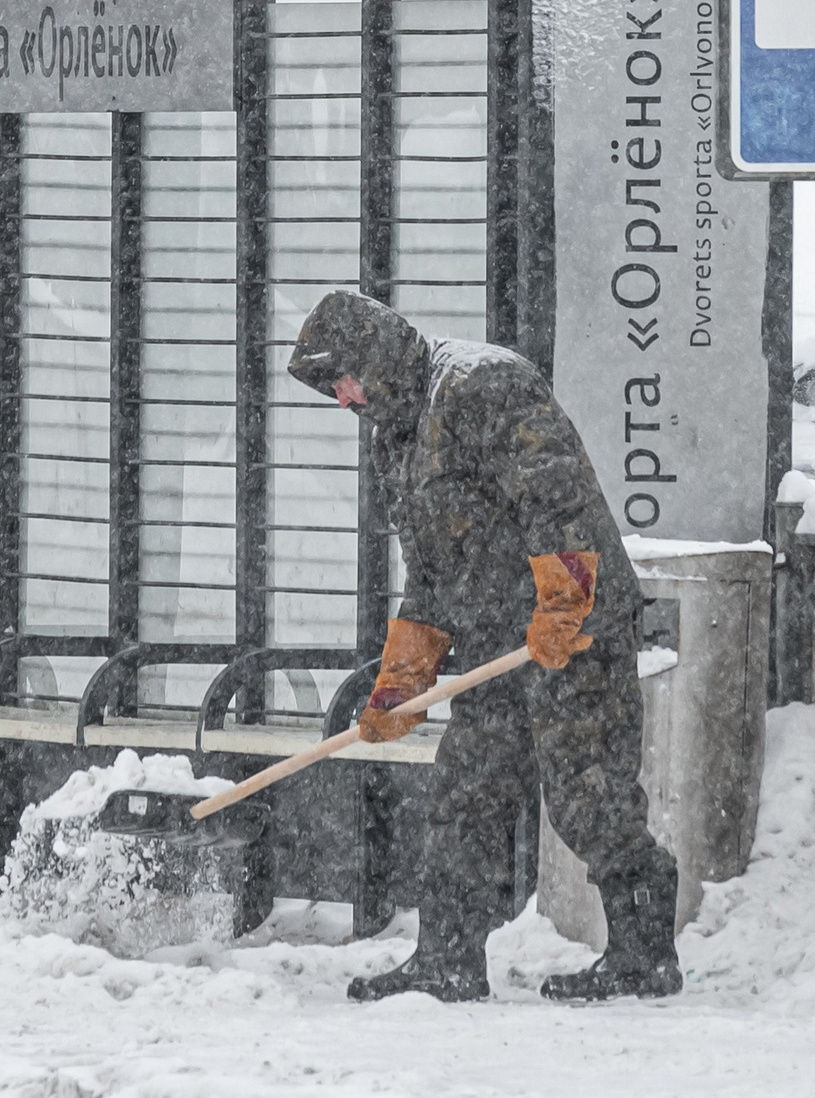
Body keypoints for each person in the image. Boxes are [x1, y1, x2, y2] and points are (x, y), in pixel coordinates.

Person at [287, 290, 680, 1003]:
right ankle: (447, 958)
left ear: (373, 356)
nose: (342, 399)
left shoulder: (481, 383)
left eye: (342, 379)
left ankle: (645, 954)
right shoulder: (396, 436)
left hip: (575, 626)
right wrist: (401, 683)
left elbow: (554, 497)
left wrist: (564, 603)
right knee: (465, 793)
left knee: (586, 795)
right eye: (331, 389)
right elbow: (430, 570)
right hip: (496, 639)